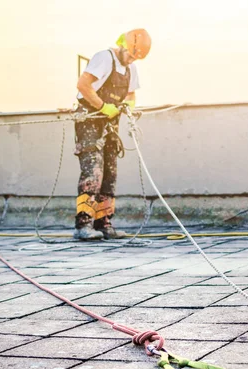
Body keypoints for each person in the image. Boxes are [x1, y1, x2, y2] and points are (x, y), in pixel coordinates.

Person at [73, 28, 152, 240]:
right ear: (123, 45)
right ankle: (84, 224)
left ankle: (103, 223)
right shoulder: (104, 58)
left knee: (109, 173)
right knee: (93, 172)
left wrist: (127, 105)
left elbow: (130, 93)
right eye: (131, 55)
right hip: (90, 121)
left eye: (136, 57)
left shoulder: (130, 68)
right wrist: (102, 106)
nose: (132, 60)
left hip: (110, 125)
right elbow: (83, 84)